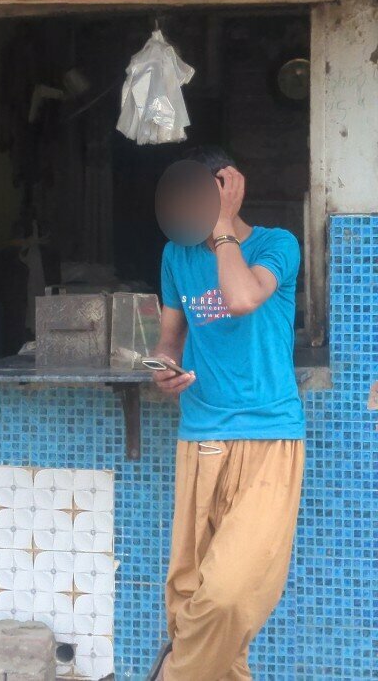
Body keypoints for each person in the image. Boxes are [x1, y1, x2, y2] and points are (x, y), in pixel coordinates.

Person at [147, 147, 305, 681]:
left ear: (226, 185)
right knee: (189, 594)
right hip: (200, 435)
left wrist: (221, 229)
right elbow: (171, 338)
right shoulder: (175, 255)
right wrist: (162, 369)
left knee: (230, 596)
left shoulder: (276, 245)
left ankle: (171, 675)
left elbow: (238, 298)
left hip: (268, 438)